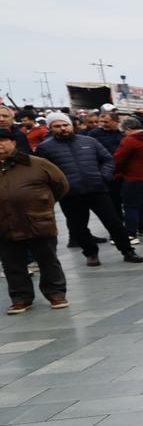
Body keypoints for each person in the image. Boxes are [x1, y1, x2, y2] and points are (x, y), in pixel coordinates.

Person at [35, 112, 143, 268]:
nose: (63, 128)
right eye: (57, 126)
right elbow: (43, 172)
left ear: (71, 125)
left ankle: (127, 251)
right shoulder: (44, 148)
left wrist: (103, 175)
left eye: (65, 125)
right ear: (50, 128)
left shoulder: (90, 141)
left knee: (114, 222)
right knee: (78, 226)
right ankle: (91, 253)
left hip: (97, 189)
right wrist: (58, 187)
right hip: (70, 194)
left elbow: (107, 159)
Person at [1, 132, 70, 313]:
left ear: (13, 143)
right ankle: (21, 298)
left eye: (2, 141)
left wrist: (42, 203)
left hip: (37, 221)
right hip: (4, 223)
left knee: (47, 260)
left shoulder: (36, 163)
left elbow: (61, 185)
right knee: (12, 264)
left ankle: (56, 293)